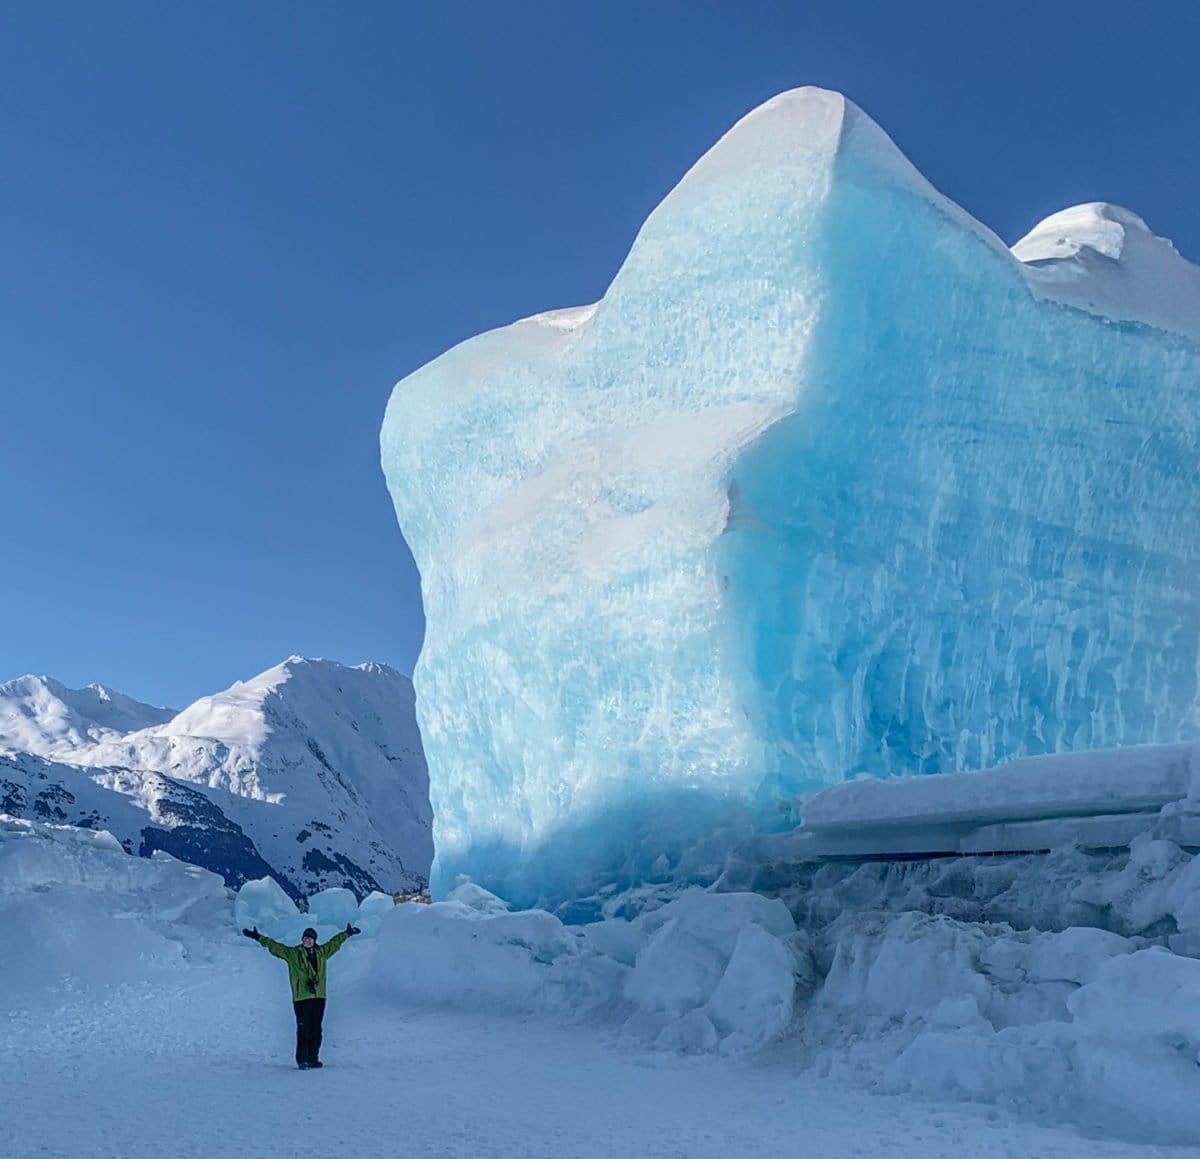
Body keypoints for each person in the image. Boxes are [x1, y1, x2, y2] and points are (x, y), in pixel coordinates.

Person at [243, 921, 361, 1069]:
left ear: (314, 940)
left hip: (319, 996)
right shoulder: (293, 954)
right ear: (302, 939)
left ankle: (313, 1058)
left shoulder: (322, 953)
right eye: (305, 938)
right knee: (303, 1028)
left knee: (316, 1029)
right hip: (302, 998)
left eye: (310, 938)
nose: (307, 940)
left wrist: (347, 933)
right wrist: (257, 937)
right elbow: (275, 946)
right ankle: (302, 1060)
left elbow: (334, 943)